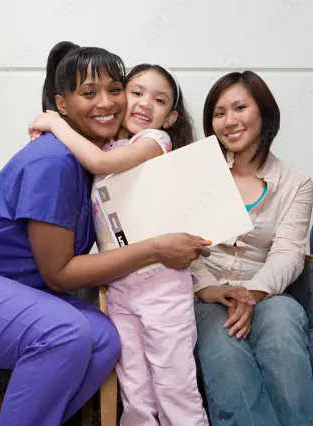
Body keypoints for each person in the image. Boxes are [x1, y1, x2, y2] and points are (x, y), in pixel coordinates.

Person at [0, 41, 212, 426]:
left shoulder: (100, 163)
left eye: (114, 90)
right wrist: (157, 249)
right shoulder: (55, 161)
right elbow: (59, 275)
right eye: (88, 93)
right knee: (67, 334)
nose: (107, 103)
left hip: (10, 293)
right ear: (62, 105)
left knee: (104, 340)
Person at [27, 64, 249, 426]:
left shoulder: (154, 142)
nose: (145, 103)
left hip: (163, 288)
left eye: (159, 99)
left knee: (175, 388)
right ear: (119, 96)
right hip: (120, 290)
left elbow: (100, 162)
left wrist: (55, 124)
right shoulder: (108, 142)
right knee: (136, 392)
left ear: (170, 116)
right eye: (136, 92)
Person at [193, 70, 313, 426]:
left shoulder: (297, 182)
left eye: (239, 107)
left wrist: (250, 294)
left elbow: (289, 253)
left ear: (263, 111)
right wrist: (210, 289)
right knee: (222, 337)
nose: (229, 121)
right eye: (218, 113)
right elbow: (181, 244)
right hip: (205, 293)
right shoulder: (200, 174)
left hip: (266, 291)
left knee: (284, 319)